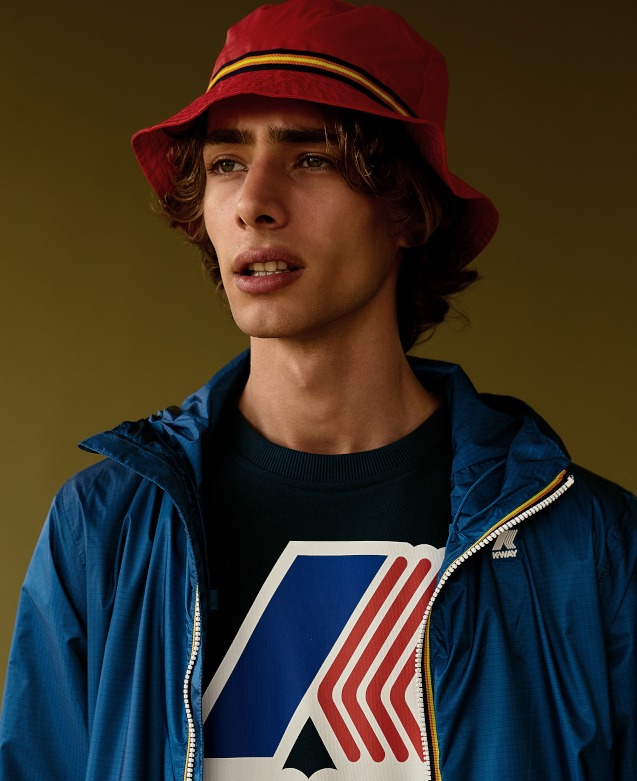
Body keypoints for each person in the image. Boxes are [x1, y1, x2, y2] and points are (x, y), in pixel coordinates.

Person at [1, 1, 635, 779]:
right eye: (226, 163)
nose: (253, 202)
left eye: (310, 159)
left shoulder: (583, 545)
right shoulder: (106, 528)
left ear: (406, 208)